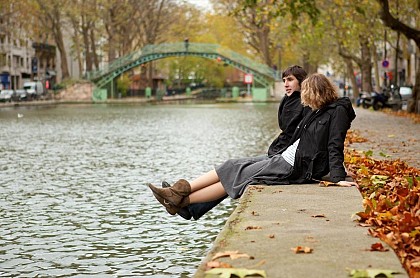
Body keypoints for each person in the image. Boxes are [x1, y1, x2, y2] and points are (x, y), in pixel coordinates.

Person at [148, 73, 358, 217]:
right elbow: (293, 132)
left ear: (317, 92)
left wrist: (338, 177)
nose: (305, 99)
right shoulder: (320, 110)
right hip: (285, 158)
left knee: (237, 177)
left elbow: (334, 145)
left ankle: (181, 201)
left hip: (293, 167)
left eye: (307, 94)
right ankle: (179, 194)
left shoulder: (336, 111)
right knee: (232, 166)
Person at [162, 65, 309, 220]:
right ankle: (182, 199)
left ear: (302, 81)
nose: (286, 84)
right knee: (232, 169)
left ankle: (182, 200)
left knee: (234, 171)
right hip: (279, 154)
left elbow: (293, 134)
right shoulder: (288, 100)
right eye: (284, 80)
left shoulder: (303, 104)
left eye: (290, 80)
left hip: (284, 159)